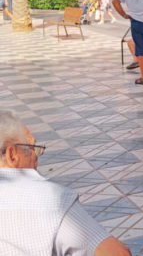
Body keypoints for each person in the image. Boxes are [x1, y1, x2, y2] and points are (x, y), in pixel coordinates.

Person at [0, 110, 131, 256]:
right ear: (12, 155)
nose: (36, 160)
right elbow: (116, 253)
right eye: (32, 149)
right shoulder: (51, 200)